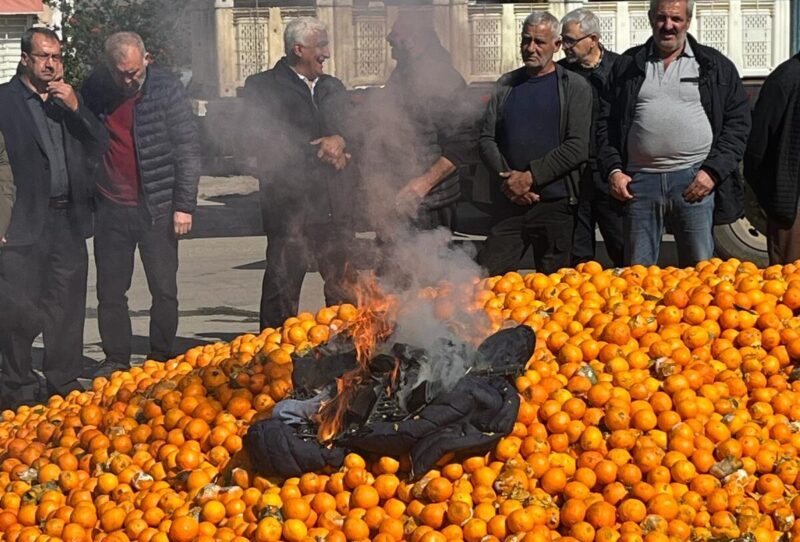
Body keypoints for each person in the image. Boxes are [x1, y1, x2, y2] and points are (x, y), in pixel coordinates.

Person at [0, 27, 108, 408]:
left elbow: (101, 143)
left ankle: (62, 381)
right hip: (23, 223)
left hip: (68, 220)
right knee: (18, 310)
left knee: (67, 307)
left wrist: (77, 107)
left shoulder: (68, 101)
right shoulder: (5, 101)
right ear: (25, 59)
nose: (51, 64)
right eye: (43, 56)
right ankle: (18, 388)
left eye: (57, 57)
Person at [597, 0, 750, 267]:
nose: (668, 26)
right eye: (661, 18)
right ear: (650, 18)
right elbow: (604, 124)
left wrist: (712, 172)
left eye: (676, 19)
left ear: (688, 21)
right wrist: (614, 170)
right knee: (638, 275)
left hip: (694, 181)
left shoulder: (714, 66)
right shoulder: (627, 66)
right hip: (639, 183)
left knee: (699, 274)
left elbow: (738, 124)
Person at [82, 32, 200, 372]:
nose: (128, 79)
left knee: (164, 289)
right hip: (111, 206)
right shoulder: (96, 87)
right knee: (111, 291)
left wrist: (184, 205)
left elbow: (188, 148)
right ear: (108, 67)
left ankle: (160, 356)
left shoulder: (166, 89)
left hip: (158, 207)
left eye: (134, 71)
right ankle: (116, 358)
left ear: (146, 59)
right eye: (120, 72)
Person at [240, 17, 356, 330]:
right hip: (290, 209)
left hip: (335, 208)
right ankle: (273, 362)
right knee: (282, 291)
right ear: (298, 49)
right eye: (321, 46)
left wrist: (341, 141)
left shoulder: (333, 87)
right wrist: (317, 149)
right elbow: (259, 139)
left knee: (345, 294)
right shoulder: (262, 87)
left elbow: (356, 130)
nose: (327, 54)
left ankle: (347, 359)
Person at [477, 11, 592, 275]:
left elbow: (577, 146)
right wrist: (510, 180)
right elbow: (486, 138)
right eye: (526, 40)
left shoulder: (574, 87)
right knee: (487, 281)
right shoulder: (506, 85)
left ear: (557, 45)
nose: (531, 48)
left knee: (554, 292)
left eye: (539, 42)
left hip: (556, 206)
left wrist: (530, 177)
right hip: (510, 203)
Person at [376, 12, 473, 233]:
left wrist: (423, 184)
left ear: (415, 39)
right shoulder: (402, 74)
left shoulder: (444, 79)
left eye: (396, 33)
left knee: (430, 265)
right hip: (401, 195)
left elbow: (462, 142)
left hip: (430, 202)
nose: (388, 38)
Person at [558, 8, 624, 268]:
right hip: (574, 175)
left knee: (623, 248)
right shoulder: (561, 74)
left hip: (609, 172)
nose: (565, 47)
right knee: (578, 256)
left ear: (593, 40)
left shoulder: (620, 70)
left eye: (571, 41)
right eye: (563, 40)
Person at [744, 53, 800, 265]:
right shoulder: (787, 77)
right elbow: (757, 148)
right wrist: (773, 197)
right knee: (789, 286)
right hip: (793, 209)